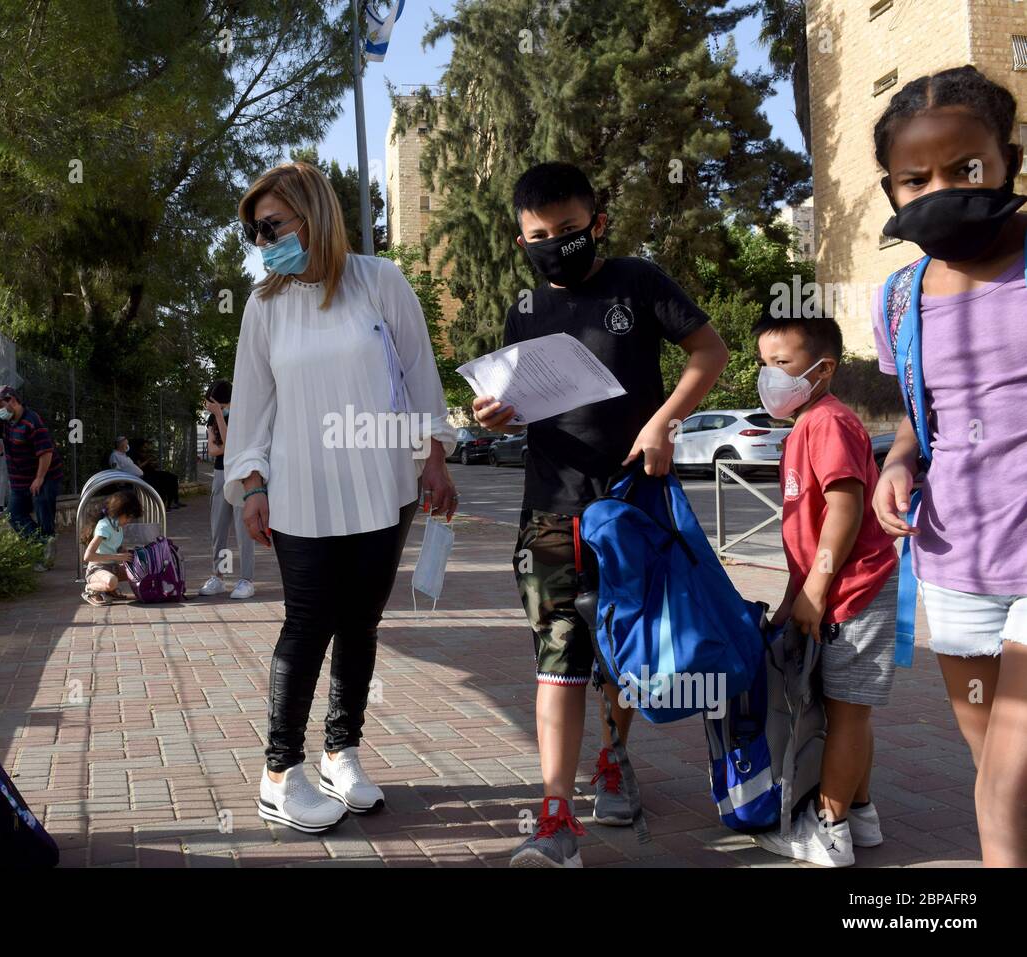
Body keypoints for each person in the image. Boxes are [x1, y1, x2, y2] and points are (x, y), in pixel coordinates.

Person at [473, 162, 729, 868]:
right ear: (520, 239)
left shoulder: (640, 282)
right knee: (557, 656)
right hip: (548, 512)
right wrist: (491, 418)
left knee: (624, 649)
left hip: (631, 504)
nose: (555, 244)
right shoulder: (524, 309)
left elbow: (710, 350)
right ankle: (555, 816)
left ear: (598, 224)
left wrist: (663, 423)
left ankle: (614, 758)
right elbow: (509, 402)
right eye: (539, 235)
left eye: (568, 231)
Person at [223, 160, 458, 833]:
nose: (262, 241)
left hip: (385, 484)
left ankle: (341, 751)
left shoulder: (381, 281)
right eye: (254, 231)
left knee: (361, 623)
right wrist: (253, 483)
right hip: (301, 489)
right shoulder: (264, 304)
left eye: (270, 225)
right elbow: (255, 404)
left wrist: (433, 457)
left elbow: (418, 373)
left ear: (311, 212)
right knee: (307, 623)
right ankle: (279, 773)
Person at [869, 66, 1027, 868]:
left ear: (1008, 162)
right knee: (997, 773)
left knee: (1003, 783)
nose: (941, 188)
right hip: (955, 564)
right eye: (914, 177)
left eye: (966, 168)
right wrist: (898, 460)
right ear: (891, 190)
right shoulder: (899, 297)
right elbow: (919, 415)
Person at [751, 313, 899, 867]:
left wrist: (816, 588)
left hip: (855, 591)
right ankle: (860, 812)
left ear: (823, 368)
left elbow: (845, 508)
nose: (771, 377)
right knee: (847, 709)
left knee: (849, 712)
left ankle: (830, 831)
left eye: (783, 364)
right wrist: (795, 597)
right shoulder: (806, 425)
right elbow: (804, 530)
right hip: (830, 589)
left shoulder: (829, 422)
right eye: (765, 365)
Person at [0, 385, 65, 564]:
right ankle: (43, 544)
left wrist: (39, 478)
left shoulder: (32, 422)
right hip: (19, 480)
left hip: (45, 475)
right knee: (14, 515)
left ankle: (46, 555)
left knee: (43, 509)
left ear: (12, 401)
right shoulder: (4, 422)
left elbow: (46, 452)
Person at [199, 380, 256, 600]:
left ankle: (246, 579)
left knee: (244, 531)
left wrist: (222, 419)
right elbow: (215, 450)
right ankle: (219, 576)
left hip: (241, 476)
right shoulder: (212, 421)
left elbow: (232, 445)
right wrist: (220, 424)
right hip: (221, 475)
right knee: (219, 529)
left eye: (219, 405)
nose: (215, 408)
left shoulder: (240, 417)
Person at [81, 490, 143, 606]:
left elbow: (114, 545)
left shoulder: (117, 525)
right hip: (97, 569)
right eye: (128, 517)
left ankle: (109, 591)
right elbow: (88, 556)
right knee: (111, 581)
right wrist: (117, 556)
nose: (129, 521)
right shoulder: (104, 527)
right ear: (119, 512)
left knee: (141, 571)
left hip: (112, 568)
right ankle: (90, 589)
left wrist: (125, 552)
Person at [136, 440, 184, 510]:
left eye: (146, 446)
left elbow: (153, 465)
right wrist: (148, 461)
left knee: (173, 477)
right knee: (165, 481)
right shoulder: (137, 455)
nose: (146, 448)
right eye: (144, 447)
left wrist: (154, 463)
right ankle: (165, 504)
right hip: (146, 474)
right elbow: (139, 467)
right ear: (141, 447)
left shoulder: (147, 454)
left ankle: (174, 501)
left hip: (154, 472)